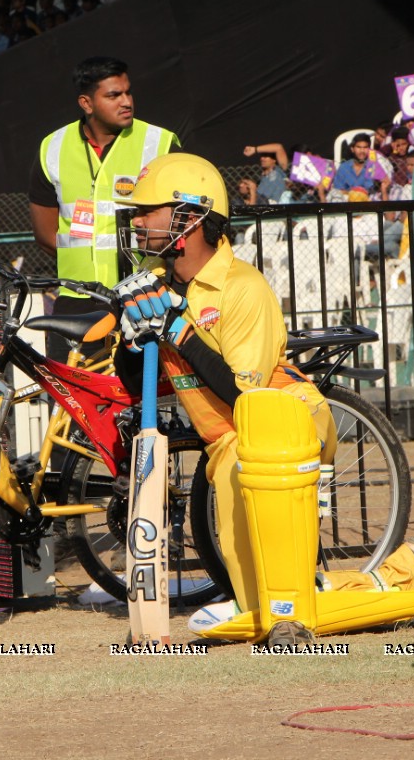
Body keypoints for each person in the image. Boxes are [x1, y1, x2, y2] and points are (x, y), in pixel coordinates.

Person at [112, 152, 336, 644]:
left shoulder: (243, 287)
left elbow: (246, 397)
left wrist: (179, 331)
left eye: (147, 211)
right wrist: (131, 338)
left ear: (189, 219)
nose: (136, 221)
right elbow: (135, 386)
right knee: (232, 470)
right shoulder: (161, 284)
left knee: (240, 466)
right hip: (230, 439)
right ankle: (271, 604)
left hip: (286, 423)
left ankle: (286, 613)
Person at [29, 56, 180, 365]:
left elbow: (182, 224)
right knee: (73, 405)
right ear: (86, 103)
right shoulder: (52, 147)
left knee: (141, 401)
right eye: (113, 95)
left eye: (128, 92)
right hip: (75, 302)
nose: (126, 102)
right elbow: (45, 234)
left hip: (143, 297)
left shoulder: (160, 143)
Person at [326, 132, 386, 200]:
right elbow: (338, 190)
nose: (362, 151)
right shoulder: (344, 167)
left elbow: (371, 191)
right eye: (359, 147)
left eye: (365, 147)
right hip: (346, 202)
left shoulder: (375, 167)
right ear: (352, 149)